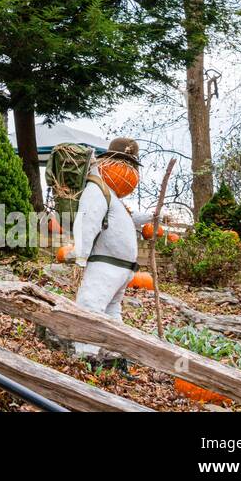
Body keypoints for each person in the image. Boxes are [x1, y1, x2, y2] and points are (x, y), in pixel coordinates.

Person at [65, 137, 163, 360]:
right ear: (106, 163)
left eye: (130, 166)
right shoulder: (96, 190)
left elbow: (128, 219)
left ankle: (112, 355)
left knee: (110, 310)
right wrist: (81, 255)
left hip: (119, 268)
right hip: (105, 264)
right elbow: (87, 222)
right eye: (121, 164)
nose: (126, 172)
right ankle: (85, 356)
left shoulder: (112, 197)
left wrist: (152, 216)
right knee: (90, 307)